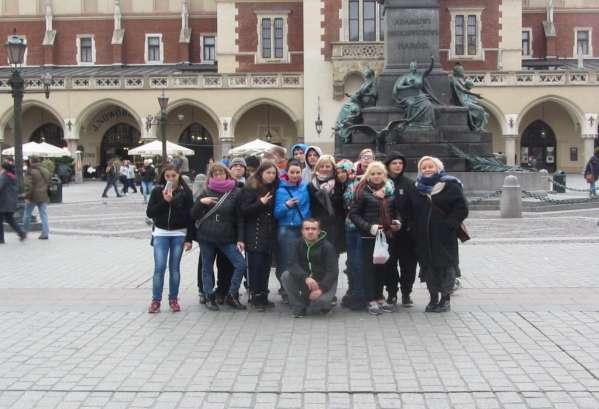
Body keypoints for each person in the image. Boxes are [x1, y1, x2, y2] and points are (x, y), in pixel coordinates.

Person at [405, 156, 468, 313]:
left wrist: (449, 225)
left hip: (444, 236)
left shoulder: (450, 184)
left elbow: (461, 208)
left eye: (430, 166)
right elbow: (410, 210)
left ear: (438, 168)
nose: (427, 169)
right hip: (423, 237)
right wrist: (413, 228)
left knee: (446, 267)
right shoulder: (416, 187)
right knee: (429, 268)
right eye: (424, 167)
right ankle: (433, 298)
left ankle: (445, 299)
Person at [192, 163, 247, 311]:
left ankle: (232, 293)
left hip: (226, 236)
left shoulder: (235, 192)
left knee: (240, 264)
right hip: (207, 235)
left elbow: (240, 218)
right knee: (207, 267)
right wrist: (201, 203)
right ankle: (209, 295)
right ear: (211, 176)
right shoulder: (205, 191)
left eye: (221, 173)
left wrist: (241, 239)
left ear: (227, 174)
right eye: (215, 174)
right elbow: (193, 215)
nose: (218, 176)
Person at [349, 161, 400, 315]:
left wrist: (398, 222)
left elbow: (396, 211)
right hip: (369, 237)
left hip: (387, 235)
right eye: (373, 173)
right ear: (368, 175)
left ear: (384, 175)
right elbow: (354, 214)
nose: (376, 176)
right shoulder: (362, 191)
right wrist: (369, 227)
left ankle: (379, 297)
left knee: (382, 267)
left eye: (379, 173)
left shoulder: (390, 191)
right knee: (369, 269)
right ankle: (370, 299)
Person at [146, 165, 194, 313]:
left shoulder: (185, 193)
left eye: (173, 176)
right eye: (168, 176)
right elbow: (150, 212)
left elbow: (189, 216)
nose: (171, 179)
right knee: (159, 268)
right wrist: (164, 201)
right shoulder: (156, 191)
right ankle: (156, 300)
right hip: (161, 233)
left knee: (174, 268)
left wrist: (189, 238)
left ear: (179, 176)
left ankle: (173, 299)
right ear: (163, 177)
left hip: (178, 233)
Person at [281, 218, 339, 317]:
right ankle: (299, 307)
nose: (310, 231)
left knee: (320, 304)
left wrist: (321, 289)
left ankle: (322, 303)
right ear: (302, 231)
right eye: (307, 229)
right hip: (305, 281)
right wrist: (306, 278)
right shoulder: (296, 244)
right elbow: (292, 264)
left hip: (323, 283)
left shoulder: (328, 247)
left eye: (313, 229)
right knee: (285, 275)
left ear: (319, 231)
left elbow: (333, 272)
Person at [241, 161, 279, 311]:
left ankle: (263, 295)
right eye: (268, 173)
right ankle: (255, 297)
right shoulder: (251, 188)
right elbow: (244, 211)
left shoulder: (275, 188)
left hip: (269, 233)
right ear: (261, 173)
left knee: (265, 267)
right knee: (255, 267)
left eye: (273, 173)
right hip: (254, 233)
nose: (271, 176)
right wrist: (260, 203)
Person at [274, 160, 311, 303]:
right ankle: (286, 290)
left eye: (297, 172)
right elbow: (277, 213)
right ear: (287, 173)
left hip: (302, 229)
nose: (295, 175)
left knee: (302, 261)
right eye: (292, 172)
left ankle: (300, 289)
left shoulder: (305, 187)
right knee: (287, 261)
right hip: (286, 229)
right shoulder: (281, 190)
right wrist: (286, 205)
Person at [385, 152, 418, 307]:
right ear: (388, 165)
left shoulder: (409, 184)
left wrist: (407, 224)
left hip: (406, 233)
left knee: (408, 266)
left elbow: (414, 208)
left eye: (400, 163)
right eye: (394, 163)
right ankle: (391, 293)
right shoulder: (383, 182)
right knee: (389, 265)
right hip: (388, 233)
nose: (398, 166)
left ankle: (406, 293)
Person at [308, 155, 341, 250]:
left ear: (332, 168)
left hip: (334, 225)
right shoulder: (312, 185)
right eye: (321, 166)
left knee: (333, 254)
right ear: (317, 168)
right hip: (318, 224)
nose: (324, 169)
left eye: (327, 166)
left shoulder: (338, 183)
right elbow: (311, 206)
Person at [23, 157, 51, 240]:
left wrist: (27, 196)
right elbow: (49, 181)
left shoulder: (30, 171)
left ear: (31, 161)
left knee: (27, 214)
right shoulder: (45, 170)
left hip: (33, 196)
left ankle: (25, 232)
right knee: (43, 215)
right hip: (44, 195)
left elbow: (28, 185)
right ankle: (45, 233)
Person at [0, 162, 26, 243]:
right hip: (11, 201)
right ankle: (21, 233)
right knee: (10, 219)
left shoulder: (4, 177)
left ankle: (1, 239)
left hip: (3, 202)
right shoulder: (13, 177)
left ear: (4, 169)